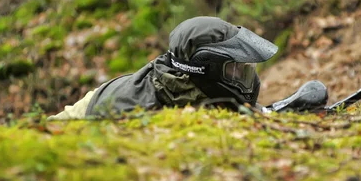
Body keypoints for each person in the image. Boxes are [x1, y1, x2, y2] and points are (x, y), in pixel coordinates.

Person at [47, 16, 278, 120]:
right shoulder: (143, 110)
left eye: (245, 71)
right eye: (235, 71)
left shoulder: (191, 85)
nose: (244, 78)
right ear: (206, 68)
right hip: (83, 115)